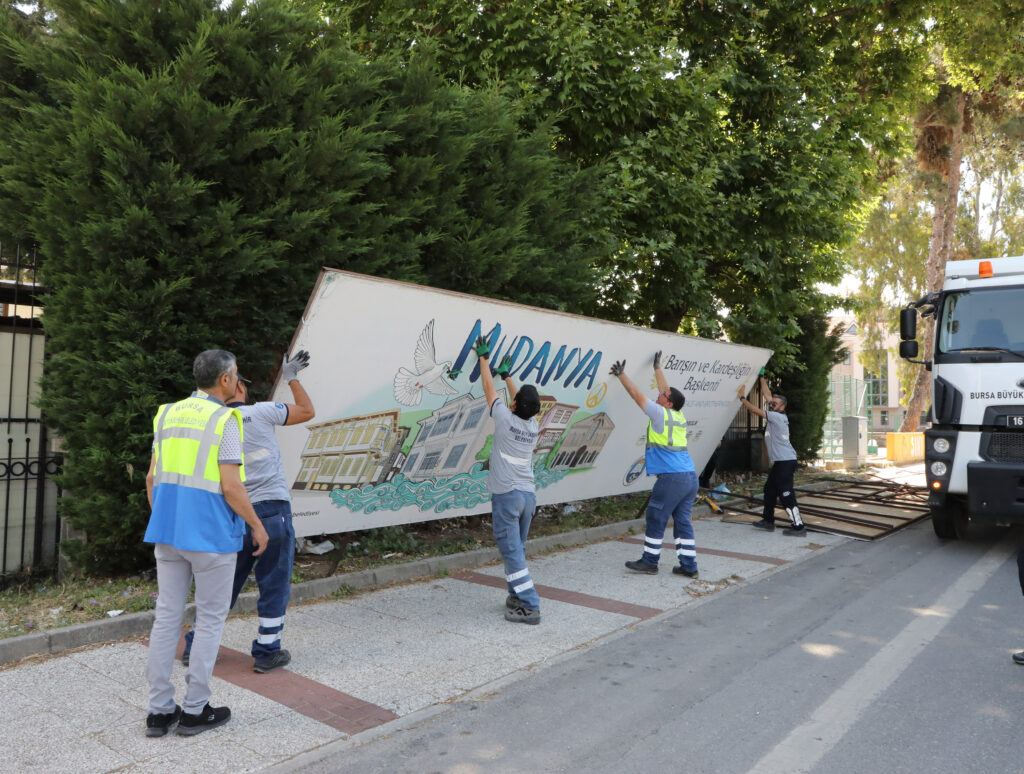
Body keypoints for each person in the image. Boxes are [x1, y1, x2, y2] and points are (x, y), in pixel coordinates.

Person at [144, 350, 269, 737]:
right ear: (227, 380)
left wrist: (167, 517)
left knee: (166, 617)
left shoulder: (166, 413)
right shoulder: (225, 420)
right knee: (210, 619)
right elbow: (231, 486)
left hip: (168, 532)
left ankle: (159, 711)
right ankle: (195, 709)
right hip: (212, 536)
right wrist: (257, 526)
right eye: (235, 376)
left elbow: (152, 478)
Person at [182, 350, 315, 673]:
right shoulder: (263, 412)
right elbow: (307, 411)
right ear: (237, 386)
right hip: (272, 511)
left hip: (231, 512)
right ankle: (267, 651)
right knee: (274, 581)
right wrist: (292, 377)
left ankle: (196, 645)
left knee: (223, 583)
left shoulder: (211, 422)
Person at [473, 335, 543, 625]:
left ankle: (530, 604)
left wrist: (484, 359)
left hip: (507, 496)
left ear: (513, 404)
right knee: (518, 549)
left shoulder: (504, 418)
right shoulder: (533, 424)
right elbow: (523, 401)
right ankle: (516, 595)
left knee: (512, 553)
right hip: (528, 497)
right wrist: (508, 376)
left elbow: (489, 391)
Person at [611, 351, 700, 578]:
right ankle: (689, 566)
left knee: (656, 516)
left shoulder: (659, 414)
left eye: (663, 394)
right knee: (682, 522)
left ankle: (650, 562)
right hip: (690, 477)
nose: (660, 393)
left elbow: (637, 395)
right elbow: (667, 390)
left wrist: (622, 375)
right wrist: (657, 368)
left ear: (667, 402)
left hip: (672, 478)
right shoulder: (678, 415)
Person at [739, 374, 806, 536]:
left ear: (782, 407)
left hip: (786, 461)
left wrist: (742, 397)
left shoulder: (777, 417)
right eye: (772, 403)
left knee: (786, 494)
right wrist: (761, 378)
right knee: (769, 489)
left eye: (775, 404)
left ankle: (799, 526)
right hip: (781, 462)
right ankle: (768, 521)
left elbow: (754, 410)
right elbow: (768, 395)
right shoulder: (776, 413)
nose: (771, 404)